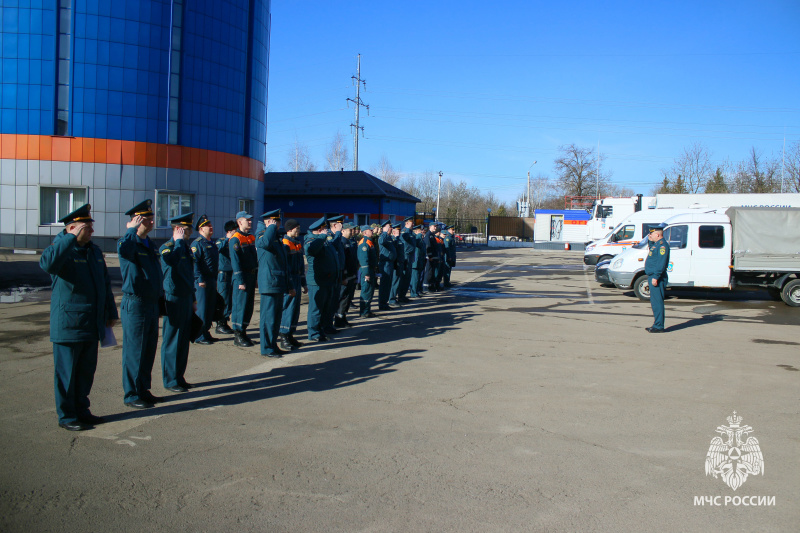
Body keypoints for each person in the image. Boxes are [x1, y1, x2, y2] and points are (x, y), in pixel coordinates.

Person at [40, 204, 118, 430]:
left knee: (85, 372)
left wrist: (110, 312)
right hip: (69, 324)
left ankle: (82, 410)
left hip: (91, 322)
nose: (92, 230)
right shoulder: (62, 249)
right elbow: (47, 264)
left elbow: (104, 284)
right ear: (72, 228)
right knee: (67, 374)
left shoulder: (93, 251)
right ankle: (67, 416)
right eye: (87, 226)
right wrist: (69, 238)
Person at [117, 199, 163, 410]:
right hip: (135, 303)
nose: (152, 222)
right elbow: (124, 251)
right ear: (137, 220)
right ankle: (132, 393)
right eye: (147, 219)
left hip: (151, 303)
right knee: (135, 351)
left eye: (152, 218)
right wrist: (131, 230)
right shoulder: (128, 242)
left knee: (148, 349)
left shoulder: (149, 244)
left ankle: (143, 389)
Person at [159, 212, 197, 393]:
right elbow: (172, 262)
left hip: (186, 297)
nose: (190, 231)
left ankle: (179, 377)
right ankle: (170, 379)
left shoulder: (186, 248)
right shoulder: (167, 248)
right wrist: (179, 242)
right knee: (172, 339)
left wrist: (193, 298)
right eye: (187, 228)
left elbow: (189, 275)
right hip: (173, 297)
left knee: (183, 340)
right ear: (178, 229)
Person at [255, 209, 294, 357]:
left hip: (278, 282)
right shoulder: (262, 235)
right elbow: (265, 243)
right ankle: (266, 348)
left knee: (276, 318)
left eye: (277, 221)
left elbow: (283, 263)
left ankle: (272, 344)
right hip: (269, 282)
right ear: (268, 222)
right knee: (268, 318)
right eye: (275, 221)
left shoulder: (276, 237)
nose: (278, 224)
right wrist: (270, 227)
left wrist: (289, 285)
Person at [304, 216, 339, 342]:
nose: (326, 231)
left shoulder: (323, 240)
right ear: (319, 230)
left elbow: (334, 247)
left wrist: (337, 233)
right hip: (317, 281)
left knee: (325, 307)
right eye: (324, 228)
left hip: (327, 279)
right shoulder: (311, 240)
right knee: (316, 308)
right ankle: (313, 333)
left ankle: (322, 329)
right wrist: (322, 236)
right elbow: (312, 250)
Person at [230, 211, 257, 347]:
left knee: (248, 306)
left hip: (251, 276)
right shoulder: (236, 239)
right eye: (247, 220)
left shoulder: (251, 237)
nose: (250, 222)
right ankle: (238, 334)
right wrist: (240, 281)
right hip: (242, 277)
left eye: (250, 220)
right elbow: (236, 262)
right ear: (240, 222)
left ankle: (244, 331)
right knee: (240, 306)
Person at [191, 215, 219, 345]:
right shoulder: (197, 244)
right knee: (201, 309)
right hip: (202, 281)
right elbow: (195, 263)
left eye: (211, 225)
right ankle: (199, 335)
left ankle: (206, 332)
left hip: (211, 279)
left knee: (209, 308)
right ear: (201, 229)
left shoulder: (211, 243)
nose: (211, 227)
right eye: (208, 226)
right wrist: (199, 279)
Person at [279, 219, 306, 349]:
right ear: (289, 229)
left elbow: (301, 265)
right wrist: (289, 285)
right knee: (288, 308)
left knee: (295, 309)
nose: (299, 230)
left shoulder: (297, 243)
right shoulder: (285, 244)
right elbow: (286, 267)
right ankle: (284, 335)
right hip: (289, 279)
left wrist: (304, 283)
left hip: (297, 278)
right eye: (297, 228)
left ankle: (290, 334)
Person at [645, 224, 670, 333]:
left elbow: (661, 263)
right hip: (653, 275)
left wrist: (656, 276)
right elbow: (652, 251)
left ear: (658, 234)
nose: (651, 235)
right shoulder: (657, 245)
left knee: (657, 302)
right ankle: (656, 324)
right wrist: (650, 241)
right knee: (654, 302)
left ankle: (659, 326)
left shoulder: (663, 246)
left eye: (652, 234)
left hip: (657, 277)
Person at [334, 222, 359, 328]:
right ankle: (339, 320)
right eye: (350, 230)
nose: (352, 232)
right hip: (346, 276)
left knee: (348, 299)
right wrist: (344, 276)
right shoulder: (342, 242)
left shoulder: (349, 241)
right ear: (343, 231)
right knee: (342, 298)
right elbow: (342, 262)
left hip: (351, 274)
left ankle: (343, 317)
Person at [215, 220, 237, 335]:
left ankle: (225, 321)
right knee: (224, 299)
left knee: (230, 300)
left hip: (232, 273)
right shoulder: (221, 240)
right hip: (223, 274)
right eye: (235, 230)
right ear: (229, 231)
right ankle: (220, 323)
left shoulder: (235, 241)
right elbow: (218, 248)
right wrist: (227, 239)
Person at [324, 215, 345, 335]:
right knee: (329, 301)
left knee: (334, 300)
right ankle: (326, 325)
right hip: (331, 274)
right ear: (335, 225)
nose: (342, 227)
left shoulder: (338, 236)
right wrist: (337, 233)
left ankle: (329, 324)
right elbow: (332, 245)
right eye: (340, 224)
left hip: (338, 272)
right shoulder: (329, 236)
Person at [357, 225, 378, 317]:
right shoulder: (364, 243)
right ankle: (364, 312)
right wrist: (366, 273)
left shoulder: (369, 242)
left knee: (369, 291)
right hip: (367, 271)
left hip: (371, 270)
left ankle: (367, 310)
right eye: (370, 230)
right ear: (365, 232)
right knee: (366, 291)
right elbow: (363, 260)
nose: (372, 232)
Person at [377, 219, 396, 310]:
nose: (391, 228)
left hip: (390, 263)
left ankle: (385, 303)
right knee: (384, 284)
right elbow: (381, 242)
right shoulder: (383, 236)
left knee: (388, 284)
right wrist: (384, 232)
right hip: (385, 263)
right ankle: (382, 304)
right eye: (389, 227)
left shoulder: (389, 237)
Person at [396, 217, 416, 302]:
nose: (413, 224)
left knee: (408, 277)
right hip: (405, 256)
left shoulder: (411, 232)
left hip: (410, 256)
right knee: (404, 277)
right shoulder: (404, 231)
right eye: (412, 223)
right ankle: (400, 295)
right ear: (407, 223)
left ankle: (403, 295)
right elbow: (404, 240)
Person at [410, 225, 426, 297]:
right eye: (420, 231)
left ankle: (417, 290)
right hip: (415, 262)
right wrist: (419, 235)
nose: (422, 232)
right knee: (415, 278)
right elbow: (417, 243)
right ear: (416, 231)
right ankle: (413, 292)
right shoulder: (415, 238)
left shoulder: (420, 239)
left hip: (420, 261)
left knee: (418, 277)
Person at [423, 222, 440, 292]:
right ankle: (426, 287)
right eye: (434, 226)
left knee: (432, 272)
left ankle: (431, 286)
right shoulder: (428, 235)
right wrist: (429, 256)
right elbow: (428, 247)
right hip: (430, 258)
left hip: (433, 257)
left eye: (436, 226)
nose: (435, 228)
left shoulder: (432, 235)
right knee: (428, 272)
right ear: (430, 227)